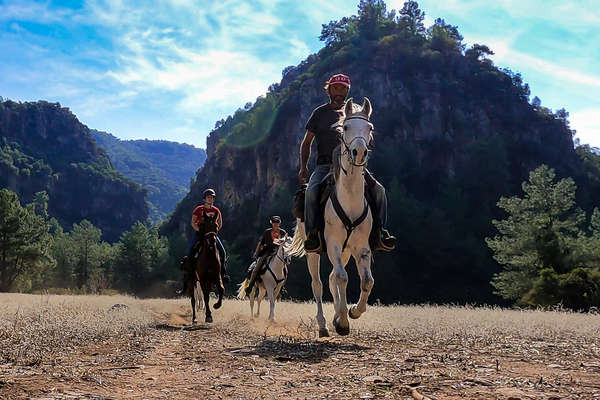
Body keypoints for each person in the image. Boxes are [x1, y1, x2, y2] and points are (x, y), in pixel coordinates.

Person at [298, 73, 396, 253]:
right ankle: (313, 235)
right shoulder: (319, 113)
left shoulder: (356, 111)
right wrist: (303, 167)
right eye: (336, 87)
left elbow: (367, 136)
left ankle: (380, 232)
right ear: (329, 89)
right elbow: (307, 142)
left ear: (348, 90)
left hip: (353, 166)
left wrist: (366, 137)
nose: (339, 91)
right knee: (311, 192)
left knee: (379, 191)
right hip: (325, 165)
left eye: (343, 88)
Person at [176, 188, 229, 295]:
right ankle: (189, 275)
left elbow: (220, 223)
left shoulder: (216, 211)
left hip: (211, 235)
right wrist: (199, 230)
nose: (210, 199)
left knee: (222, 252)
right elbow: (193, 222)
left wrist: (213, 232)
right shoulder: (198, 209)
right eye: (208, 197)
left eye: (212, 197)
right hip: (200, 234)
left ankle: (223, 274)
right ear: (205, 199)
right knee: (190, 251)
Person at [244, 216, 288, 295]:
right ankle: (250, 285)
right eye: (274, 222)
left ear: (279, 223)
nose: (276, 224)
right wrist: (256, 253)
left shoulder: (283, 232)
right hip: (267, 252)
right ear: (271, 223)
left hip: (278, 253)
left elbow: (285, 244)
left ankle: (282, 286)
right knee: (257, 266)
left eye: (277, 222)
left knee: (285, 269)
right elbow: (261, 243)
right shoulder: (267, 232)